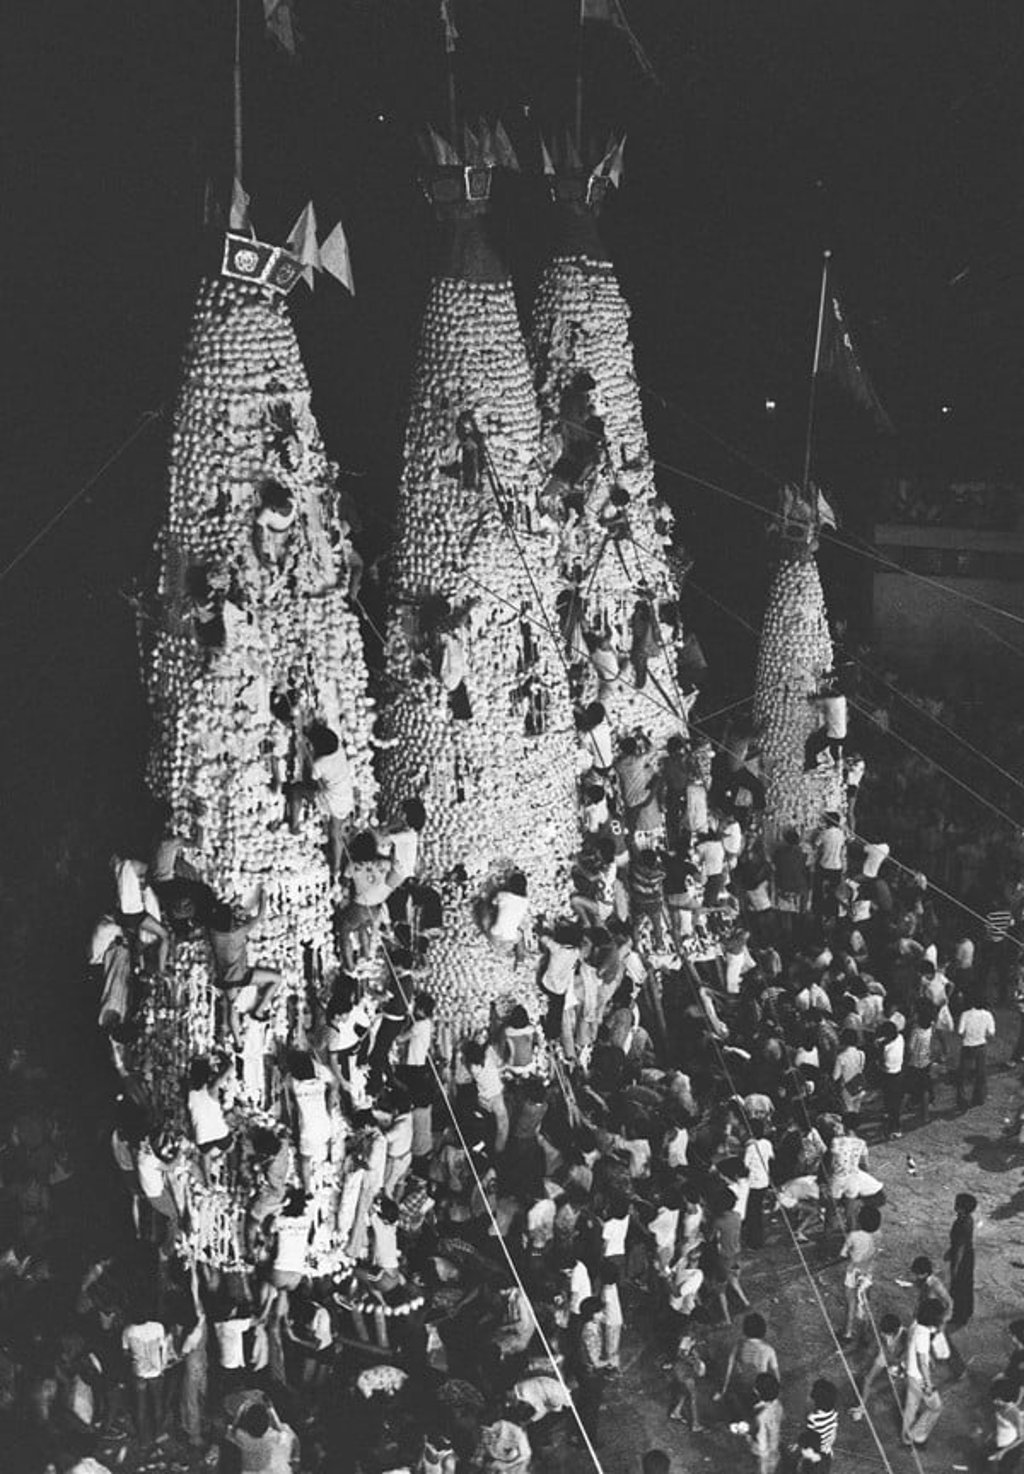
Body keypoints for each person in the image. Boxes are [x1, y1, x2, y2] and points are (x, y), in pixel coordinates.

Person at [207, 888, 284, 1047]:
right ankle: (259, 1010)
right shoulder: (238, 933)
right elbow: (259, 917)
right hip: (242, 975)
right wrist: (263, 900)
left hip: (225, 978)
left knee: (231, 1009)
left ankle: (238, 1042)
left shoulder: (213, 933)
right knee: (277, 979)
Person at [284, 722, 356, 878]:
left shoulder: (320, 763)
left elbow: (311, 781)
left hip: (331, 799)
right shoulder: (340, 751)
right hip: (345, 798)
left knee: (296, 790)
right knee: (335, 833)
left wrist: (308, 755)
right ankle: (336, 868)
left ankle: (294, 825)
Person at [121, 1305, 168, 1447]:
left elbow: (125, 1353)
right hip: (156, 1371)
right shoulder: (158, 1327)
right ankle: (159, 1433)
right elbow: (162, 1347)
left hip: (139, 1373)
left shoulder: (128, 1330)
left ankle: (143, 1440)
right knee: (157, 1403)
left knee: (141, 1406)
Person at [902, 1297, 945, 1448]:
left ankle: (905, 1437)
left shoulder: (915, 1325)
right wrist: (928, 1384)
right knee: (935, 1407)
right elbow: (922, 1363)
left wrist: (928, 1357)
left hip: (910, 1372)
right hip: (919, 1378)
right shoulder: (924, 1334)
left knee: (911, 1406)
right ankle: (916, 1435)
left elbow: (917, 1352)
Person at [224, 1395, 299, 1474]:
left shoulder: (242, 1438)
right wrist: (270, 1408)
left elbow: (231, 1431)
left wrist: (242, 1409)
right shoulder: (273, 1438)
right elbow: (282, 1430)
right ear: (267, 1422)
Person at [839, 1205, 880, 1343]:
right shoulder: (878, 1235)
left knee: (851, 1303)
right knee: (864, 1303)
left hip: (852, 1272)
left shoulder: (853, 1235)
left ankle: (848, 1332)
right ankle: (865, 1333)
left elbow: (843, 1253)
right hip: (867, 1272)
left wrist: (851, 1253)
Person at [956, 988, 996, 1109]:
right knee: (981, 1073)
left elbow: (960, 1031)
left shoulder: (965, 1014)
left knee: (962, 1074)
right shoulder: (987, 1015)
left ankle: (962, 1100)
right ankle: (978, 1098)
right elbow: (991, 1033)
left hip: (968, 1046)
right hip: (981, 1046)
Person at [946, 1191, 976, 1328]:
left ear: (961, 1207)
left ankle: (959, 1315)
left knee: (959, 1286)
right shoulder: (966, 1219)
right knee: (965, 1285)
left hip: (962, 1258)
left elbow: (960, 1247)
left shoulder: (962, 1223)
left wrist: (956, 1267)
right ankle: (965, 1312)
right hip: (967, 1255)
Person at [745, 1371, 783, 1474]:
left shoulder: (760, 1416)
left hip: (764, 1454)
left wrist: (749, 1438)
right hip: (775, 1447)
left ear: (758, 1392)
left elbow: (762, 1439)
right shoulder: (778, 1405)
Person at [666, 1329, 705, 1428]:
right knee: (692, 1396)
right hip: (683, 1370)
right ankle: (695, 1424)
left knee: (684, 1393)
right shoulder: (686, 1339)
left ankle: (676, 1412)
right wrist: (692, 1361)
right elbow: (680, 1354)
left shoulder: (696, 1341)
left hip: (686, 1370)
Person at [801, 1378, 838, 1472]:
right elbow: (833, 1432)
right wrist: (828, 1447)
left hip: (815, 1457)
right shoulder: (834, 1413)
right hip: (827, 1454)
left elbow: (809, 1439)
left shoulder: (813, 1418)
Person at [988, 1376, 1024, 1468]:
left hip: (1010, 1449)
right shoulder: (1000, 1408)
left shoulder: (1014, 1414)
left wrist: (1003, 1451)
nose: (994, 1401)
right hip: (1000, 1442)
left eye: (997, 1399)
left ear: (1006, 1398)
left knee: (1004, 1468)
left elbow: (1021, 1438)